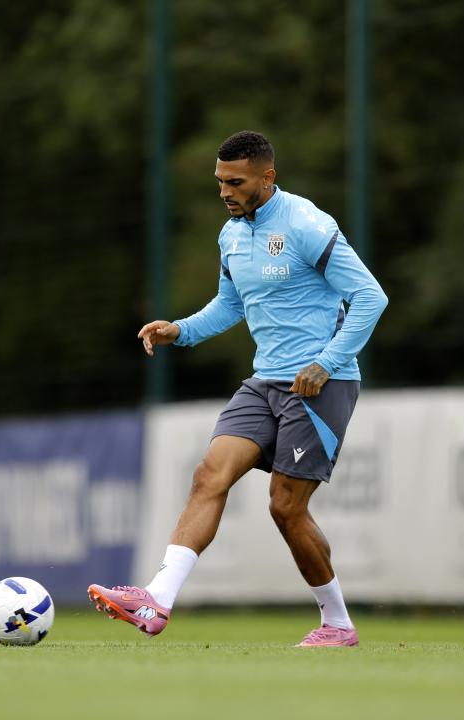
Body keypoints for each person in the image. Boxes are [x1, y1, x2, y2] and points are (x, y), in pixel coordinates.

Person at [88, 130, 388, 646]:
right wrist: (180, 330)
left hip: (321, 385)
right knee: (209, 475)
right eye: (220, 181)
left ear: (267, 178)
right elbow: (230, 304)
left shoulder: (307, 224)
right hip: (264, 381)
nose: (225, 192)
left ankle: (337, 623)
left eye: (236, 182)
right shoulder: (231, 235)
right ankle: (157, 600)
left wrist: (327, 362)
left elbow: (370, 297)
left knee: (285, 507)